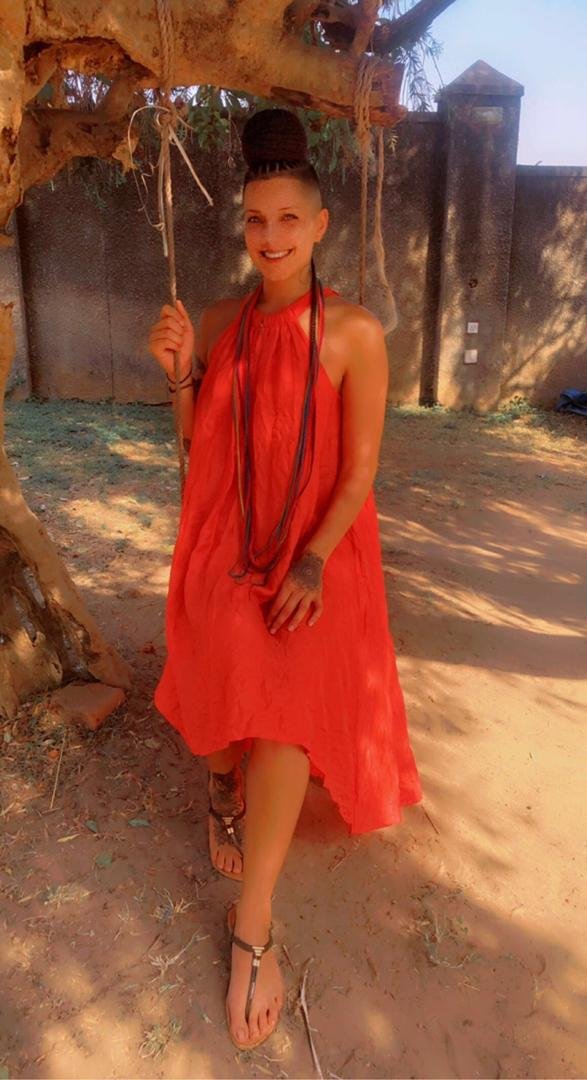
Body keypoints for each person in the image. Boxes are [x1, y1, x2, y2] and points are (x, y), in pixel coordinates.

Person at [148, 107, 422, 1052]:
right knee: (228, 636)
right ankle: (221, 786)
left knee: (291, 690)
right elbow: (197, 449)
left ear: (319, 225)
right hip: (230, 539)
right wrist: (180, 373)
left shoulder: (353, 331)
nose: (269, 238)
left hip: (318, 548)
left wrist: (310, 558)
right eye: (255, 221)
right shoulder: (221, 323)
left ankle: (252, 926)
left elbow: (360, 470)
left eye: (287, 221)